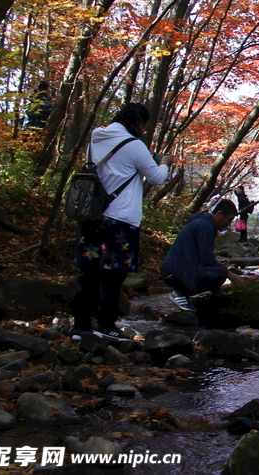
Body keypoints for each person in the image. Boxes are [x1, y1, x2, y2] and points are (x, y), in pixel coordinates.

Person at [72, 103, 174, 341]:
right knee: (114, 273)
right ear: (137, 123)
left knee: (89, 273)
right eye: (144, 124)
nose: (144, 129)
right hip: (121, 217)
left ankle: (80, 326)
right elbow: (157, 178)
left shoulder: (96, 138)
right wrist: (165, 162)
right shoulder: (134, 144)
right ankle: (106, 325)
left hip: (93, 214)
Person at [161, 198, 246, 311]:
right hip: (174, 273)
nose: (229, 224)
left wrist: (216, 288)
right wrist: (229, 274)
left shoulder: (203, 223)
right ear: (220, 214)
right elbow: (206, 258)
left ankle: (185, 291)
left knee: (219, 273)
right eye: (229, 220)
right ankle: (180, 293)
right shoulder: (205, 226)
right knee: (219, 274)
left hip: (173, 271)